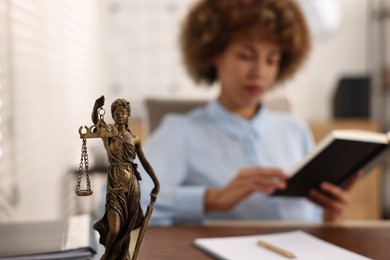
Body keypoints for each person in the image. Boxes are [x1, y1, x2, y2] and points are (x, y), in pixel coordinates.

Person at [139, 0, 359, 226]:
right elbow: (118, 203)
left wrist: (332, 215)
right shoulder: (180, 132)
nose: (260, 72)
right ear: (214, 53)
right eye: (246, 55)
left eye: (272, 60)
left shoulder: (295, 129)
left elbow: (313, 218)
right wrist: (211, 199)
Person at [90, 96, 160, 259]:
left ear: (128, 115)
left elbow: (145, 163)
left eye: (123, 113)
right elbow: (96, 122)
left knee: (126, 229)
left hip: (132, 185)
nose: (120, 116)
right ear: (113, 115)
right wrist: (96, 107)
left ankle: (122, 257)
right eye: (116, 113)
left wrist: (156, 183)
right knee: (114, 229)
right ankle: (108, 257)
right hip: (114, 186)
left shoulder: (134, 139)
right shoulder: (108, 134)